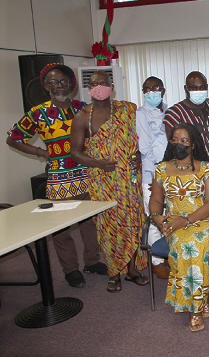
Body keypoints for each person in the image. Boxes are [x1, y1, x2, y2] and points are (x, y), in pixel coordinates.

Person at [6, 63, 107, 288]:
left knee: (90, 223)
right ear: (45, 86)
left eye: (62, 80)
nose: (58, 85)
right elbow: (13, 138)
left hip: (86, 174)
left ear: (70, 84)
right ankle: (71, 269)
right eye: (52, 81)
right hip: (59, 178)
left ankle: (92, 261)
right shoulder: (37, 113)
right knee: (61, 227)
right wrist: (40, 152)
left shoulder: (84, 108)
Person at [71, 70, 148, 293]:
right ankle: (114, 273)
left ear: (111, 86)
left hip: (129, 179)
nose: (100, 87)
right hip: (103, 181)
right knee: (109, 226)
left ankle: (132, 270)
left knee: (133, 223)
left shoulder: (129, 109)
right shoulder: (82, 116)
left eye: (104, 83)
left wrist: (140, 155)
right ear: (89, 88)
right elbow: (75, 152)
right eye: (95, 84)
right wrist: (97, 164)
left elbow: (144, 138)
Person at [148, 123, 209, 332]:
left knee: (197, 244)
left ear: (193, 145)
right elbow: (155, 200)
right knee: (183, 246)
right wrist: (157, 218)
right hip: (174, 220)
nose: (178, 144)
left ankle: (195, 308)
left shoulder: (205, 168)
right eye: (175, 140)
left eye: (184, 141)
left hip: (205, 220)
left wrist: (187, 220)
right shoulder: (161, 169)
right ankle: (199, 300)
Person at [163, 71, 209, 186]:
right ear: (186, 88)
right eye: (194, 88)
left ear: (207, 88)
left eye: (202, 88)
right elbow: (175, 149)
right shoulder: (174, 114)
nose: (198, 91)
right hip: (191, 177)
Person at [136, 76, 169, 279]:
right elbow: (145, 147)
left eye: (155, 88)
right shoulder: (141, 113)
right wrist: (158, 171)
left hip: (171, 173)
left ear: (163, 90)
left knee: (170, 213)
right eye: (146, 89)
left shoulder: (169, 110)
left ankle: (168, 255)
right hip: (152, 173)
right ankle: (157, 262)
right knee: (154, 216)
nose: (151, 92)